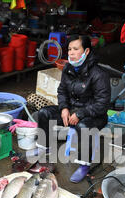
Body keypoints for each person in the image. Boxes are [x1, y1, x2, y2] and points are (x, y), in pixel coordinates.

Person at [36, 35, 111, 183]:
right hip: (71, 110)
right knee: (44, 113)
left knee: (83, 126)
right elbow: (62, 91)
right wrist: (64, 108)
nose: (71, 53)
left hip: (94, 114)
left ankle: (84, 166)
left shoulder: (99, 74)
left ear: (87, 51)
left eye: (76, 49)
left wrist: (80, 113)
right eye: (69, 49)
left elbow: (102, 104)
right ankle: (45, 152)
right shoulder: (68, 69)